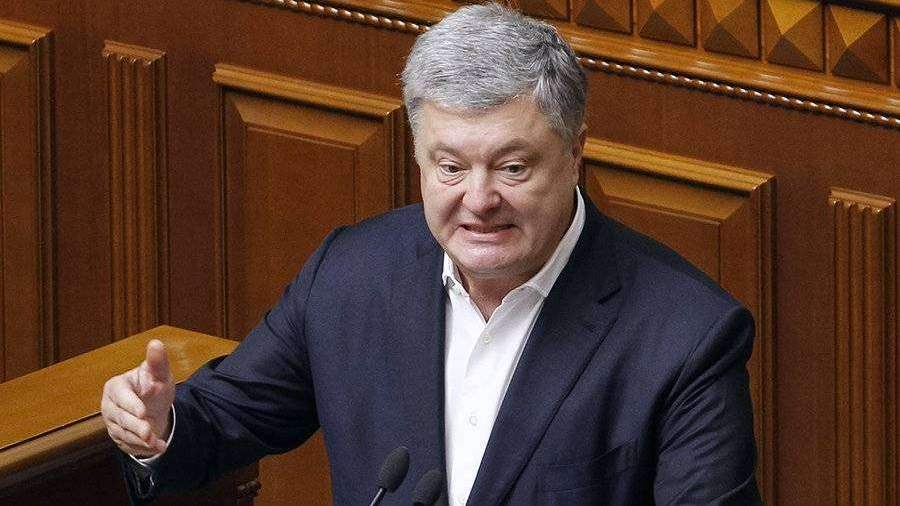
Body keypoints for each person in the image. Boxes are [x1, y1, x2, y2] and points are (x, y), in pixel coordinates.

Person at [101, 3, 761, 504]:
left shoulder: (684, 337)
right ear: (418, 157)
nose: (479, 200)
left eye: (512, 168)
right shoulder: (352, 275)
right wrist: (155, 427)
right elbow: (221, 421)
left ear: (575, 153)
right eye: (450, 168)